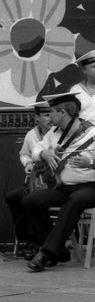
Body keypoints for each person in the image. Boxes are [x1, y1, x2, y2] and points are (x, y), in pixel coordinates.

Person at [24, 91, 95, 272]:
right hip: (64, 187)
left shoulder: (93, 133)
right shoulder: (53, 133)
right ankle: (59, 251)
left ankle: (47, 254)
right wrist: (44, 153)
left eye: (52, 111)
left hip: (92, 189)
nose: (49, 115)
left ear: (63, 113)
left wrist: (94, 162)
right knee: (31, 200)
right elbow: (36, 150)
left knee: (75, 200)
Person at [5, 102, 53, 259]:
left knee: (30, 200)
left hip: (53, 182)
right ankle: (27, 239)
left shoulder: (58, 133)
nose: (50, 118)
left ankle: (36, 243)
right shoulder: (31, 135)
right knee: (12, 197)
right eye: (46, 115)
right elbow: (24, 154)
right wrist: (28, 164)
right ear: (37, 117)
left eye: (51, 114)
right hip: (36, 180)